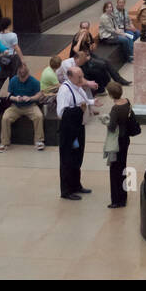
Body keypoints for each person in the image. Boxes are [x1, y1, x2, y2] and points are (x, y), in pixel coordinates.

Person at [56, 66, 93, 200]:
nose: (82, 80)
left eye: (82, 76)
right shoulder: (65, 91)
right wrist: (80, 109)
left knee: (78, 157)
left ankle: (76, 184)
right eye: (79, 77)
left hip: (78, 128)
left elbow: (83, 101)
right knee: (68, 159)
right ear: (70, 77)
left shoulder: (77, 87)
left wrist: (91, 103)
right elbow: (62, 113)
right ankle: (66, 190)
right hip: (69, 131)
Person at [100, 81, 135, 208]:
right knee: (123, 167)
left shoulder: (115, 109)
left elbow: (112, 127)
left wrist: (105, 121)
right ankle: (123, 197)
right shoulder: (127, 102)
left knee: (115, 170)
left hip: (117, 142)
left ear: (110, 95)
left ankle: (116, 200)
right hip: (125, 139)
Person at [0, 62, 45, 152]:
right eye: (21, 77)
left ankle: (39, 141)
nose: (23, 79)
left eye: (24, 77)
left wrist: (30, 98)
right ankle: (4, 142)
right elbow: (8, 94)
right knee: (5, 118)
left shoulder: (34, 81)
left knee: (39, 116)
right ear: (18, 74)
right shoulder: (13, 80)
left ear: (28, 73)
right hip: (16, 106)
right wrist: (15, 98)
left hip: (30, 106)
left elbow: (39, 94)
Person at [99, 0, 138, 64]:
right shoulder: (104, 17)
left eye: (111, 7)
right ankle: (129, 58)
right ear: (105, 9)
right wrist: (121, 33)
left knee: (129, 36)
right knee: (125, 40)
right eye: (108, 7)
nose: (110, 8)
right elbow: (111, 30)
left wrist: (121, 32)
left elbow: (116, 26)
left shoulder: (111, 15)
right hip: (107, 37)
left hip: (113, 34)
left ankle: (132, 54)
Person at [0, 17, 23, 86]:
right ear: (9, 25)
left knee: (1, 78)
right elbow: (16, 48)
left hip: (2, 57)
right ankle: (11, 94)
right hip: (13, 58)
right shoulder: (13, 35)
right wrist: (22, 59)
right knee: (13, 77)